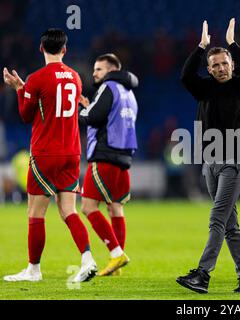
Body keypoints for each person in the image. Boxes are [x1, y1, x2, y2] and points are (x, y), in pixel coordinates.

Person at [2, 28, 97, 282]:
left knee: (35, 213)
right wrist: (26, 87)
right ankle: (87, 258)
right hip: (72, 152)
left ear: (41, 48)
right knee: (69, 210)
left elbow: (25, 114)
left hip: (46, 153)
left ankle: (33, 270)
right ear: (64, 49)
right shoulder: (75, 77)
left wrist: (20, 89)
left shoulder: (37, 78)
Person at [177, 18, 240, 294]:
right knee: (229, 225)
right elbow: (186, 77)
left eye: (225, 63)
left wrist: (233, 44)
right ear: (209, 69)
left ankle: (202, 275)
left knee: (217, 218)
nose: (221, 68)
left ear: (232, 65)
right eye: (215, 65)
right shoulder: (204, 88)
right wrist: (201, 47)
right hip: (210, 162)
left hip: (235, 161)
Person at [78, 53, 138, 276]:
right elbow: (108, 116)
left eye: (99, 69)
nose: (94, 73)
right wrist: (91, 106)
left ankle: (116, 254)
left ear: (111, 71)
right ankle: (116, 265)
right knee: (115, 208)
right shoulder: (129, 93)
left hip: (105, 156)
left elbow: (92, 118)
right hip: (124, 158)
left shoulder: (108, 86)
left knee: (87, 207)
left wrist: (81, 112)